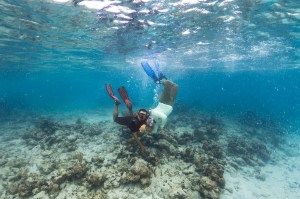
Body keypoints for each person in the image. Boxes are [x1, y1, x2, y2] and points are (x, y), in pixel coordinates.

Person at [105, 84, 153, 152]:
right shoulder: (136, 123)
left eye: (143, 115)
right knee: (115, 119)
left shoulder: (148, 119)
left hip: (134, 118)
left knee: (134, 117)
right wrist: (141, 146)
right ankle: (117, 104)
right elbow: (135, 136)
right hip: (129, 120)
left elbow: (149, 123)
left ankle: (129, 106)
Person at [140, 61, 178, 133]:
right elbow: (154, 131)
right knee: (172, 88)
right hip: (169, 105)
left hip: (163, 103)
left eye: (148, 130)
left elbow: (164, 117)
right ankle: (160, 79)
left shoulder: (153, 116)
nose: (149, 131)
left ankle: (162, 80)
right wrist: (149, 129)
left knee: (173, 86)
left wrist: (162, 126)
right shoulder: (155, 123)